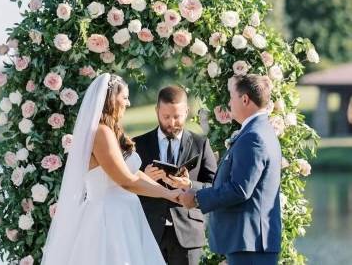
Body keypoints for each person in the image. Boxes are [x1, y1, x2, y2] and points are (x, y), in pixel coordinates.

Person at [41, 73, 181, 265]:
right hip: (108, 220)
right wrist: (170, 195)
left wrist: (172, 189)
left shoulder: (112, 131)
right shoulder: (101, 133)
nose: (129, 103)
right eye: (124, 97)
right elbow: (126, 181)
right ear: (110, 99)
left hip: (126, 215)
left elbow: (133, 173)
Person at [179, 74, 282, 265]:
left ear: (245, 99)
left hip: (250, 244)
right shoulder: (259, 130)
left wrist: (196, 198)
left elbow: (240, 189)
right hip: (250, 243)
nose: (228, 102)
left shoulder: (254, 137)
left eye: (231, 97)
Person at [133, 86, 217, 265]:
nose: (172, 122)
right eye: (166, 117)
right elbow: (125, 187)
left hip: (188, 234)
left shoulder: (200, 144)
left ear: (186, 111)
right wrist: (143, 178)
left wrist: (189, 185)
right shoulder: (138, 144)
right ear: (157, 111)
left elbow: (215, 186)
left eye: (177, 116)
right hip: (149, 231)